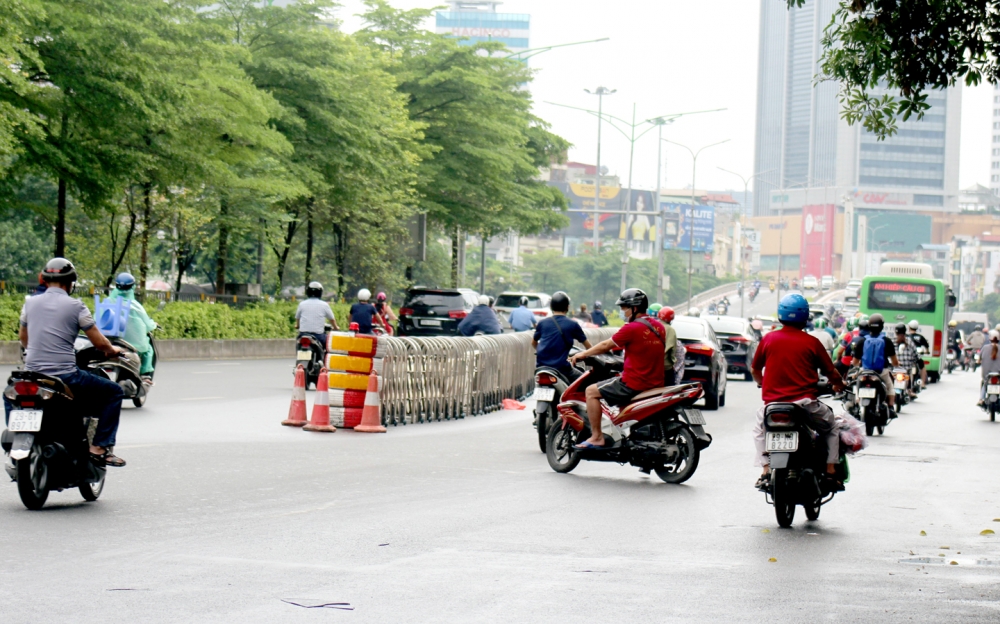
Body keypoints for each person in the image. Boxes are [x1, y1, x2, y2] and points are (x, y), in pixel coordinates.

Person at [9, 259, 127, 467]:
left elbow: (24, 338)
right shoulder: (76, 306)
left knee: (10, 394)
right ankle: (99, 447)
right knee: (114, 392)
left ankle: (13, 435)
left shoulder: (30, 303)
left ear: (45, 280)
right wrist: (112, 350)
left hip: (32, 373)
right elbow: (99, 342)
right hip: (65, 375)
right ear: (70, 283)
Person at [751, 293, 845, 490]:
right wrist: (838, 384)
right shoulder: (811, 342)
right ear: (805, 317)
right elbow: (831, 372)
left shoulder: (768, 339)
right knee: (832, 428)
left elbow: (755, 369)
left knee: (760, 431)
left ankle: (766, 470)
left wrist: (761, 383)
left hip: (773, 406)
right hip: (806, 405)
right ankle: (830, 471)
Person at [569, 288, 666, 449]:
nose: (622, 312)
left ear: (634, 308)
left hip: (634, 383)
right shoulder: (659, 327)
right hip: (655, 382)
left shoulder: (631, 328)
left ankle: (597, 436)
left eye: (624, 308)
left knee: (591, 392)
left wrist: (584, 354)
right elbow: (643, 351)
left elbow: (606, 345)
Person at [105, 272, 159, 378]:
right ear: (133, 286)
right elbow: (148, 325)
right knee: (148, 350)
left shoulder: (107, 302)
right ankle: (145, 375)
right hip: (131, 346)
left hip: (108, 343)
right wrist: (154, 325)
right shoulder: (135, 306)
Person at [532, 292, 592, 382]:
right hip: (562, 369)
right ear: (567, 307)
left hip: (541, 368)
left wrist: (543, 352)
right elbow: (588, 347)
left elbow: (533, 343)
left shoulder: (542, 323)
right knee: (587, 381)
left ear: (551, 306)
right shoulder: (573, 324)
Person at [852, 313, 900, 413]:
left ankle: (856, 404)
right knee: (890, 387)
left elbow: (855, 362)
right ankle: (891, 408)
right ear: (882, 326)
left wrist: (857, 367)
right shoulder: (886, 341)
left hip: (864, 371)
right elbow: (894, 361)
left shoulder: (862, 341)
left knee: (857, 385)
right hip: (882, 372)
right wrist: (896, 365)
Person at [893, 323, 919, 398]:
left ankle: (909, 389)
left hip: (895, 369)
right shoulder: (910, 342)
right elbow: (916, 356)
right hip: (902, 370)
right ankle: (909, 390)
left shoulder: (892, 341)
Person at [657, 306, 680, 386]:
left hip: (649, 367)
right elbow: (671, 350)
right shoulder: (670, 330)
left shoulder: (651, 326)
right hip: (665, 368)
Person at [978, 331, 1000, 407]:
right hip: (998, 374)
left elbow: (979, 359)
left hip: (986, 374)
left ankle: (981, 399)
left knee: (984, 383)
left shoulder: (985, 348)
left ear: (990, 339)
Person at [906, 319, 929, 388]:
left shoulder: (907, 337)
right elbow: (926, 346)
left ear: (909, 327)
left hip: (908, 358)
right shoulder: (920, 337)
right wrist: (927, 351)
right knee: (922, 367)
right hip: (917, 357)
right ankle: (922, 383)